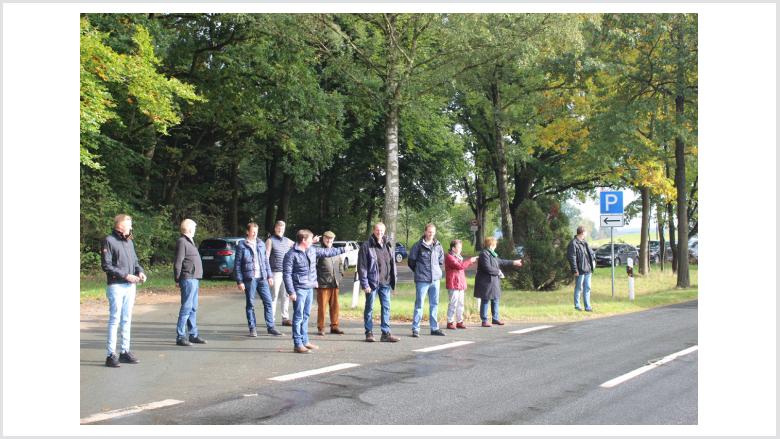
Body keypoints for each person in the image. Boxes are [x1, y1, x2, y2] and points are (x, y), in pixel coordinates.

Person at [283, 229, 346, 353]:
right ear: (304, 240)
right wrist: (291, 291)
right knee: (298, 317)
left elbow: (328, 252)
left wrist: (344, 249)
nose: (313, 241)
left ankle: (305, 341)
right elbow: (287, 274)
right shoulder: (291, 254)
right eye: (311, 239)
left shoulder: (311, 250)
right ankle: (298, 344)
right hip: (299, 289)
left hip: (309, 287)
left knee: (306, 315)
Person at [101, 214, 147, 367]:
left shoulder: (129, 241)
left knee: (126, 319)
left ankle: (124, 351)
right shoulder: (109, 240)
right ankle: (110, 355)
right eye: (129, 224)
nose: (131, 227)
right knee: (115, 319)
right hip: (116, 286)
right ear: (120, 225)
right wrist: (126, 276)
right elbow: (106, 266)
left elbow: (135, 261)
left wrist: (139, 271)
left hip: (130, 286)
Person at [234, 222, 282, 337]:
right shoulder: (241, 245)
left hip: (262, 278)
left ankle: (271, 327)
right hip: (249, 279)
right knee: (250, 304)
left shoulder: (261, 244)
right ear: (248, 232)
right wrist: (239, 281)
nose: (255, 233)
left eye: (256, 231)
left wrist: (269, 276)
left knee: (268, 302)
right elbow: (237, 265)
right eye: (253, 231)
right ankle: (252, 328)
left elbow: (266, 261)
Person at [357, 222, 400, 343]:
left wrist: (393, 281)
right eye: (377, 230)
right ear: (373, 230)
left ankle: (385, 333)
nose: (379, 233)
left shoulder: (388, 244)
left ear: (384, 231)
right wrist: (365, 284)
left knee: (386, 308)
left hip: (385, 283)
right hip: (372, 284)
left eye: (381, 231)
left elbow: (392, 264)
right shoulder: (367, 246)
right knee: (369, 307)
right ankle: (369, 333)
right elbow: (362, 267)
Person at [473, 237, 523, 327]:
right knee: (485, 300)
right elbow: (487, 268)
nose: (496, 246)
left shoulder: (493, 254)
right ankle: (484, 320)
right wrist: (498, 272)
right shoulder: (484, 254)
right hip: (486, 282)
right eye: (495, 244)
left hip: (494, 281)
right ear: (491, 245)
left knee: (495, 299)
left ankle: (495, 319)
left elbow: (501, 261)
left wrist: (513, 262)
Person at [408, 224, 446, 337]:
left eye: (433, 232)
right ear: (425, 232)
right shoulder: (417, 246)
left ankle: (434, 328)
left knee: (434, 304)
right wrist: (419, 271)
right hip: (422, 280)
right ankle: (416, 329)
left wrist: (435, 272)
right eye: (429, 232)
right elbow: (411, 262)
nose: (431, 234)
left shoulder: (438, 245)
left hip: (435, 280)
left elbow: (440, 260)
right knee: (419, 305)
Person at [173, 219, 206, 346]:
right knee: (186, 307)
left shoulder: (190, 241)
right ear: (190, 229)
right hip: (187, 278)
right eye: (194, 227)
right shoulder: (182, 241)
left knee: (193, 307)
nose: (195, 229)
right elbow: (178, 261)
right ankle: (180, 336)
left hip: (194, 278)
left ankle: (193, 334)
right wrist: (177, 278)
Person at [315, 231, 344, 336]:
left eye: (331, 239)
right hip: (323, 284)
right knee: (322, 307)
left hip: (335, 283)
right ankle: (321, 327)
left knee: (335, 306)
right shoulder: (318, 251)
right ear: (323, 239)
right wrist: (316, 281)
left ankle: (334, 326)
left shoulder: (336, 251)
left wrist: (340, 276)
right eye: (327, 238)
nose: (329, 240)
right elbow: (313, 268)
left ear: (333, 240)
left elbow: (340, 265)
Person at [444, 239, 478, 330]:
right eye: (459, 247)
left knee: (461, 304)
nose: (461, 249)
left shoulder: (459, 257)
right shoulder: (449, 257)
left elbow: (461, 268)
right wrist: (470, 261)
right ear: (453, 248)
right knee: (453, 303)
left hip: (460, 283)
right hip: (453, 283)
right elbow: (460, 266)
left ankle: (460, 321)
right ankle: (450, 322)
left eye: (461, 247)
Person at [266, 220, 294, 326]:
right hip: (275, 273)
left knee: (286, 295)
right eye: (278, 227)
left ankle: (285, 318)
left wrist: (312, 241)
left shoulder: (287, 241)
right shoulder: (270, 240)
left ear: (284, 229)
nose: (280, 229)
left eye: (282, 228)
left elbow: (299, 245)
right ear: (275, 228)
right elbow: (266, 258)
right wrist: (269, 274)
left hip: (286, 273)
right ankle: (271, 319)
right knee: (273, 297)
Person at [566, 225, 597, 312]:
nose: (586, 234)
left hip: (588, 270)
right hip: (579, 270)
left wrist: (593, 263)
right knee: (579, 288)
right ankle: (577, 306)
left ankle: (587, 306)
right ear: (582, 233)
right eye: (585, 232)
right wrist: (575, 270)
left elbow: (590, 254)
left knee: (587, 288)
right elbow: (572, 257)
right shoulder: (573, 243)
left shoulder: (584, 242)